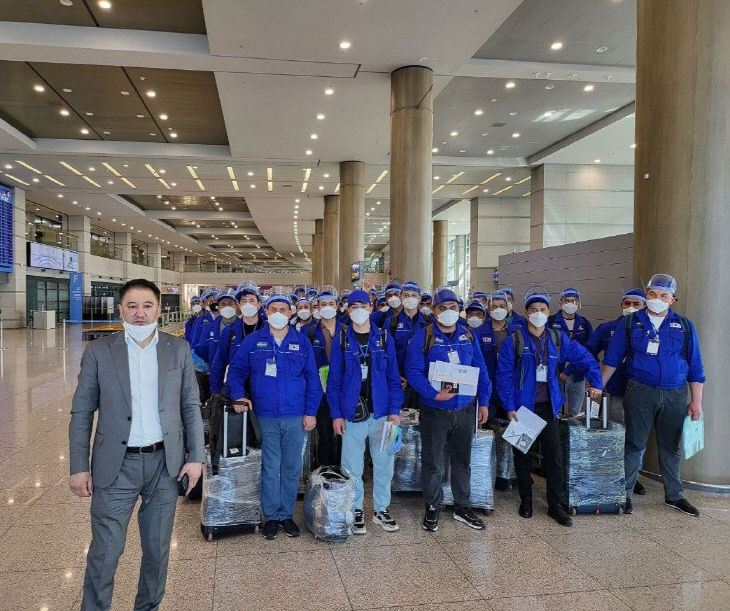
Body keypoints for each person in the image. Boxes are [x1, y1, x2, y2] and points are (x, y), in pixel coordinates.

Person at [69, 279, 205, 610]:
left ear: (160, 308)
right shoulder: (100, 351)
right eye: (132, 306)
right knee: (106, 550)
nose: (140, 313)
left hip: (164, 464)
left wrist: (196, 457)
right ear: (121, 310)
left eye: (147, 305)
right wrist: (78, 467)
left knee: (158, 549)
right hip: (116, 466)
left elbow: (190, 405)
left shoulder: (178, 350)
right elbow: (82, 412)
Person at [496, 288, 603, 527]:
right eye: (533, 310)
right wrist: (509, 406)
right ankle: (526, 500)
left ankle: (555, 505)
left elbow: (584, 357)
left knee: (554, 456)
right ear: (526, 313)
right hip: (523, 408)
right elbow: (503, 376)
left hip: (549, 406)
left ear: (548, 312)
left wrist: (596, 381)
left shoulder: (557, 339)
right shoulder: (515, 340)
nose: (538, 314)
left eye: (542, 310)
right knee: (521, 455)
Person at [601, 273, 705, 517]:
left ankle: (675, 496)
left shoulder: (685, 326)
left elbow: (696, 367)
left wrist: (696, 401)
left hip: (675, 394)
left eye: (663, 296)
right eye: (652, 294)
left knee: (670, 447)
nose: (657, 299)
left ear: (672, 299)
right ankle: (624, 494)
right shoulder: (629, 324)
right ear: (646, 295)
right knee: (634, 444)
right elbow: (612, 360)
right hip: (640, 392)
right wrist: (597, 385)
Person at [228, 294, 322, 540]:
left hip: (295, 415)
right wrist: (239, 395)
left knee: (291, 468)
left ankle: (286, 515)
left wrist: (311, 412)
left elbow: (313, 379)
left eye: (282, 309)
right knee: (270, 467)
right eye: (273, 309)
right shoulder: (253, 341)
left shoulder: (301, 342)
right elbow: (236, 371)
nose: (278, 313)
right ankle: (271, 516)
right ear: (266, 313)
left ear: (290, 312)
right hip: (266, 416)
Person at [405, 287, 491, 532]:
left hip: (464, 409)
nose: (448, 312)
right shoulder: (425, 336)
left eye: (453, 308)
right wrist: (433, 394)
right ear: (434, 310)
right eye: (443, 308)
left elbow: (481, 370)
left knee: (462, 461)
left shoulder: (468, 336)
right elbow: (413, 371)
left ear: (459, 310)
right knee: (433, 461)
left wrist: (483, 401)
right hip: (435, 410)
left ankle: (462, 507)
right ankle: (432, 506)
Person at [326, 290, 404, 534]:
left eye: (363, 305)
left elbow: (393, 377)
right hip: (352, 415)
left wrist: (394, 410)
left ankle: (381, 509)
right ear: (347, 310)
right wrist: (336, 414)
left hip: (382, 414)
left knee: (384, 466)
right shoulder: (342, 339)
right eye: (353, 306)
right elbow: (334, 382)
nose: (359, 309)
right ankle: (356, 509)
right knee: (352, 468)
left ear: (371, 308)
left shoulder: (383, 337)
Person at [586, 288, 647, 496]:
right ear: (621, 305)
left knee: (637, 437)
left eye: (636, 304)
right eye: (627, 303)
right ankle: (614, 472)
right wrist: (596, 379)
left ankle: (633, 476)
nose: (630, 308)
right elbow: (588, 353)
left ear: (644, 306)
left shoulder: (651, 330)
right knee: (616, 434)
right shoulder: (608, 328)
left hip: (642, 391)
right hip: (616, 390)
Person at [302, 288, 343, 466]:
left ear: (338, 306)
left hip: (344, 388)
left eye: (331, 304)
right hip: (320, 389)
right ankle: (326, 470)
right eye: (323, 304)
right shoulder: (309, 332)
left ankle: (345, 470)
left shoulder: (347, 330)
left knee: (345, 433)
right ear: (316, 308)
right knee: (325, 433)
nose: (327, 307)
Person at [384, 281, 431, 410]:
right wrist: (394, 376)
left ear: (420, 298)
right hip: (400, 380)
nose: (410, 298)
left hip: (424, 379)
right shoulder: (391, 323)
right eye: (406, 295)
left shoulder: (429, 322)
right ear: (400, 298)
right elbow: (387, 353)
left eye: (414, 295)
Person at [548, 288, 594, 416]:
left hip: (577, 376)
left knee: (574, 413)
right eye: (567, 300)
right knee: (553, 411)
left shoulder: (584, 324)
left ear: (578, 303)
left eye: (573, 301)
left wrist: (569, 370)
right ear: (561, 301)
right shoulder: (551, 322)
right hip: (555, 375)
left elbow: (589, 351)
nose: (570, 303)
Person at [478, 291, 522, 420]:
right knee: (487, 427)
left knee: (511, 429)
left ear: (508, 308)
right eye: (494, 306)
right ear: (488, 309)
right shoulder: (478, 333)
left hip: (511, 388)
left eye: (502, 306)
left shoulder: (518, 333)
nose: (498, 309)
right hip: (488, 389)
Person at [192, 290, 238, 369]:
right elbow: (201, 349)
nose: (227, 307)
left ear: (237, 306)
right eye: (223, 304)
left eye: (230, 303)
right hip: (215, 374)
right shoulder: (210, 328)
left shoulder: (244, 327)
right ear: (219, 307)